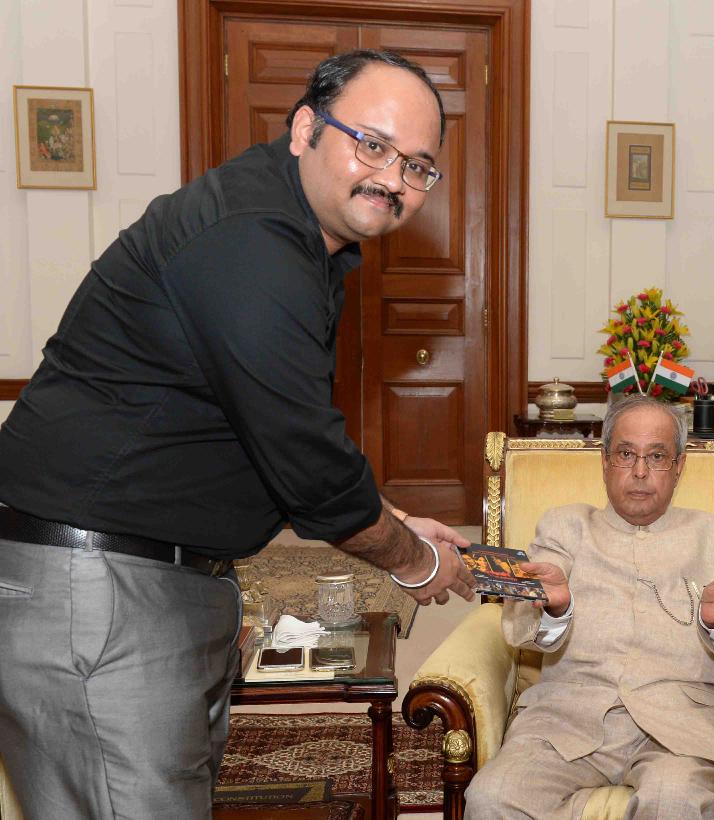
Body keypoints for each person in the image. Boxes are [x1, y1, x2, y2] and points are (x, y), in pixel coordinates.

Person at [0, 50, 477, 819]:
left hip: (145, 578)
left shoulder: (293, 234)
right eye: (372, 145)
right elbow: (307, 464)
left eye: (417, 166)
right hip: (100, 590)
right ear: (305, 129)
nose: (393, 178)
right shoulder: (254, 241)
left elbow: (261, 431)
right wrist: (417, 562)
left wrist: (392, 518)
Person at [464, 396, 714, 819]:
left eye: (657, 457)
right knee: (493, 797)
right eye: (626, 454)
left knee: (674, 801)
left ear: (679, 466)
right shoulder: (564, 528)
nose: (640, 472)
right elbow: (520, 627)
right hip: (568, 719)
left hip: (682, 726)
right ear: (604, 461)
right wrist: (555, 609)